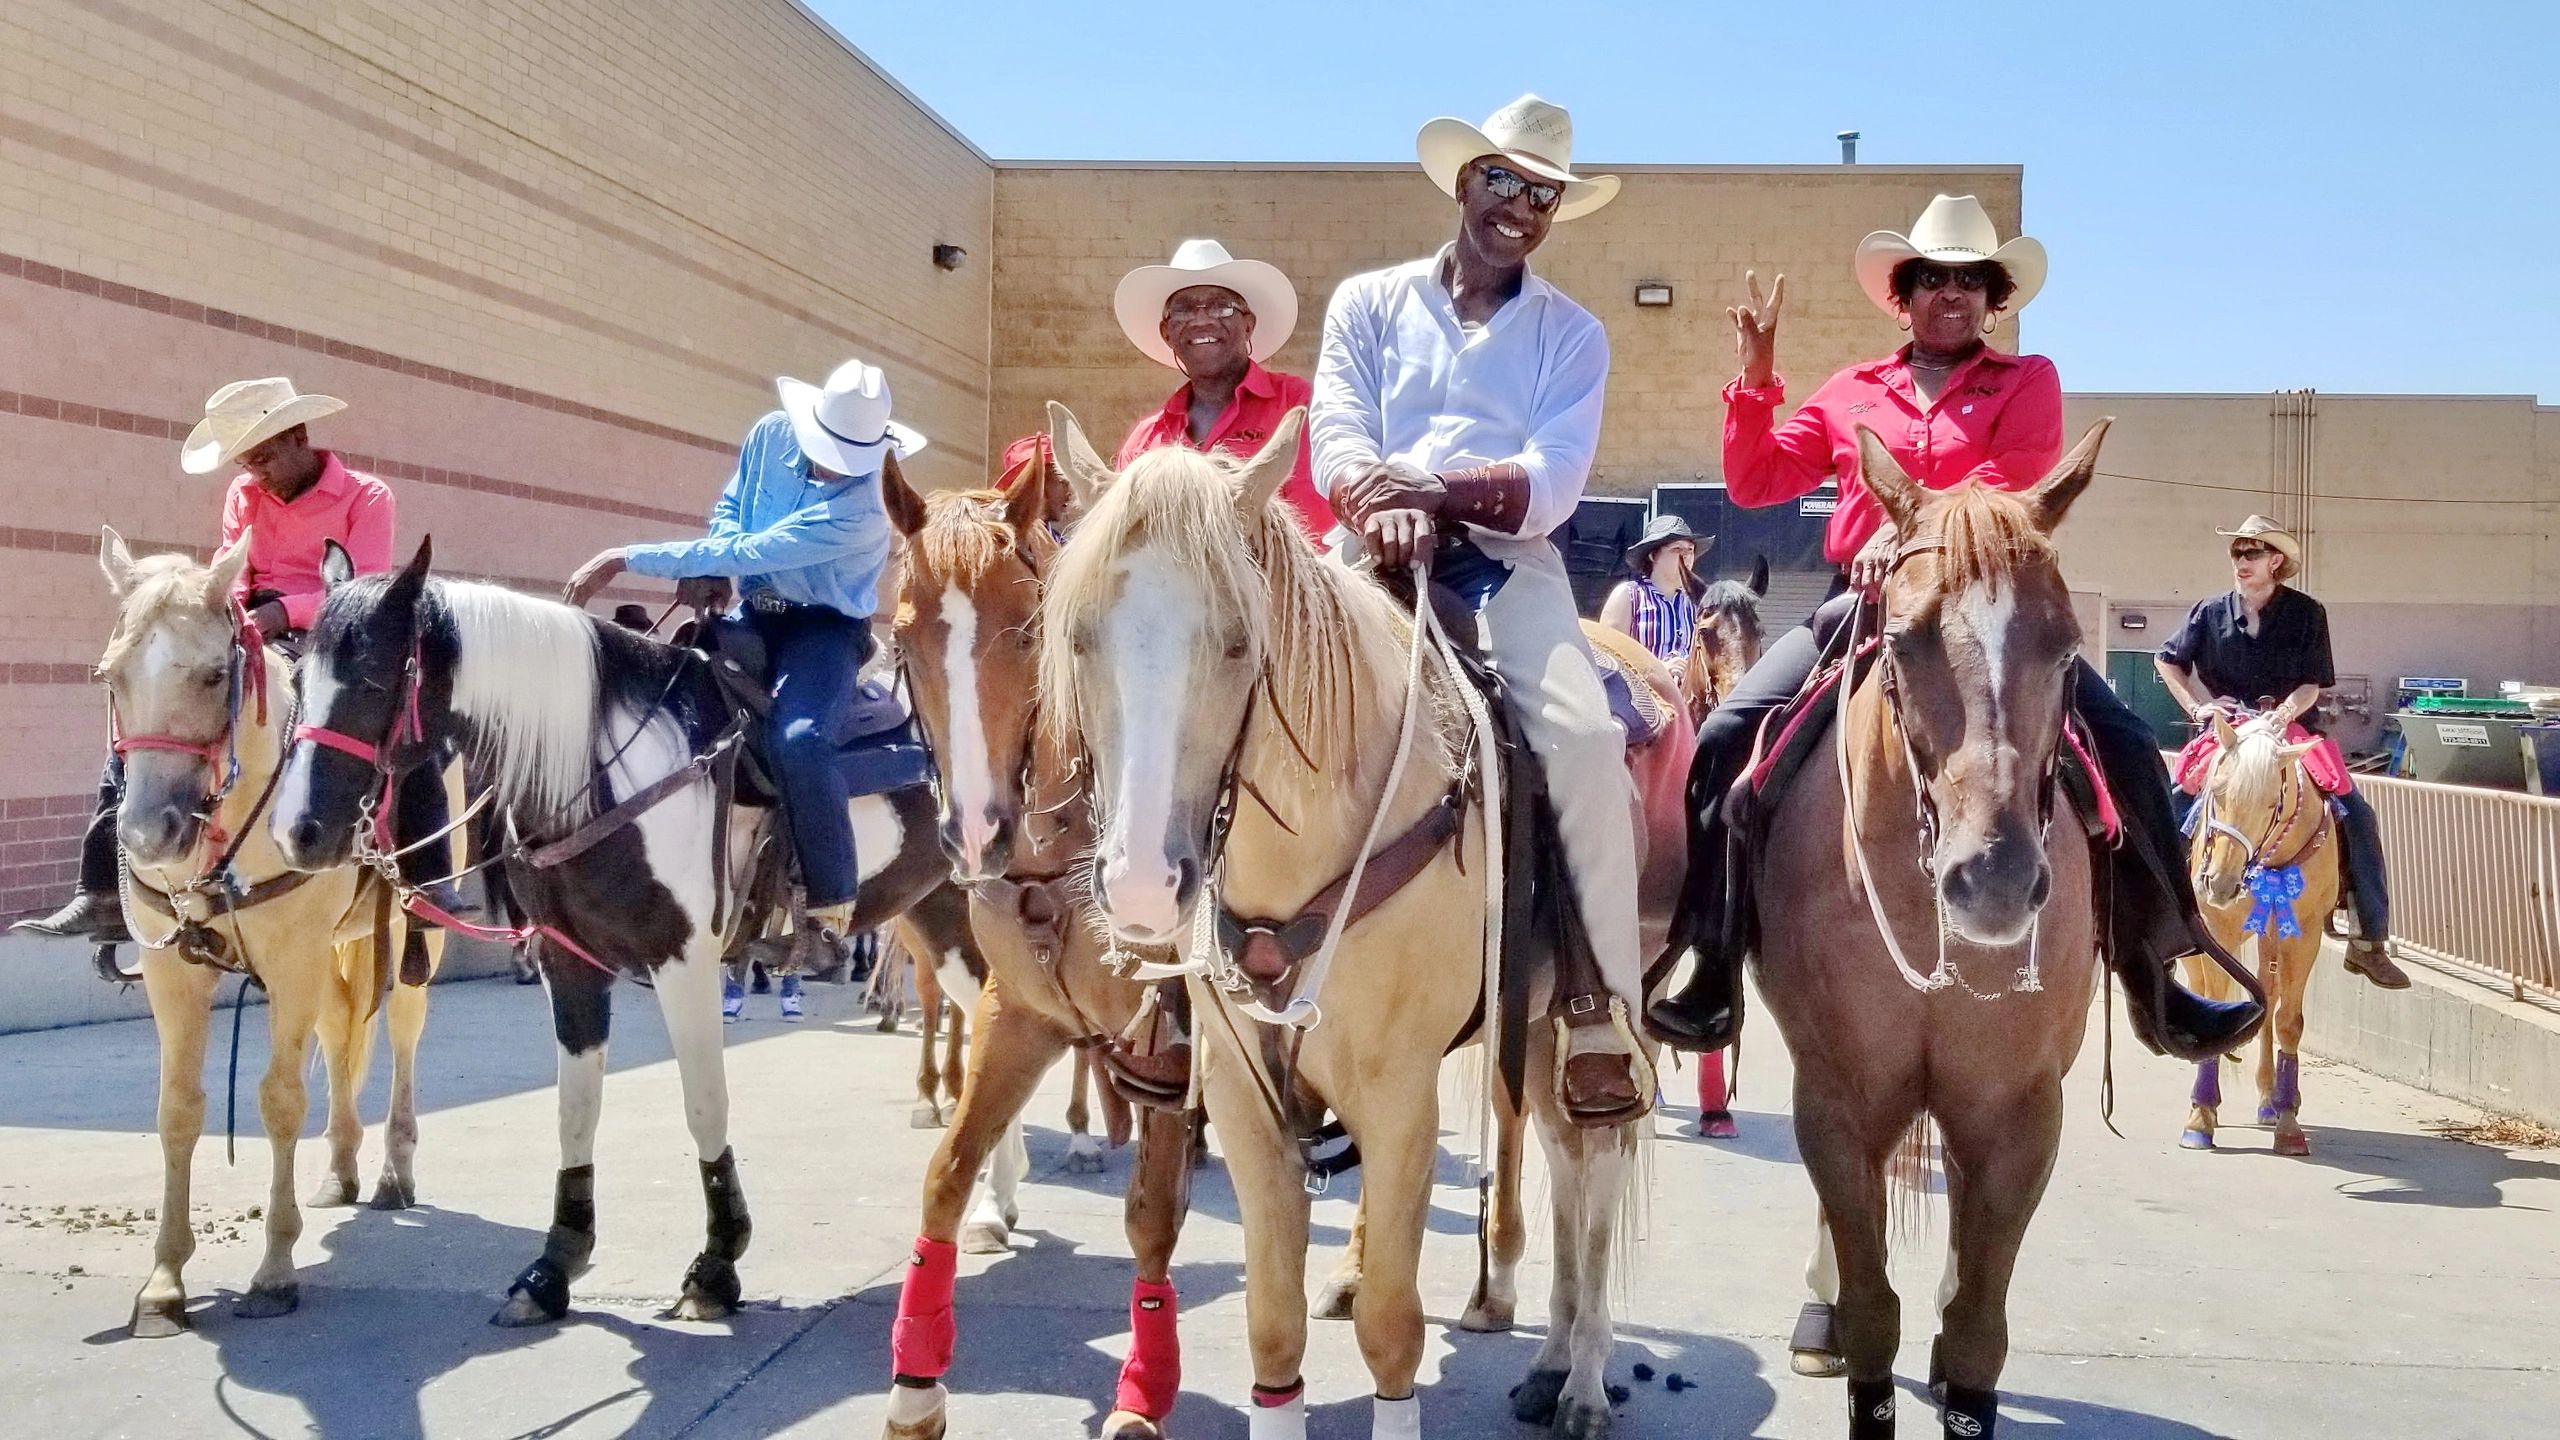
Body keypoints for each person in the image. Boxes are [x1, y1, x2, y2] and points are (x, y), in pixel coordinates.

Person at [1644, 194, 2264, 1063]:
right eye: (1933, 279)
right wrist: (1756, 380)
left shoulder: (2027, 382)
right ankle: (1710, 957)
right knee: (1727, 735)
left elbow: (2005, 492)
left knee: (2123, 747)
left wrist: (1902, 534)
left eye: (1972, 282)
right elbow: (1754, 482)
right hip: (1860, 605)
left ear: (1992, 299)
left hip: (1990, 611)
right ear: (1905, 294)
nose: (1953, 295)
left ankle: (2158, 968)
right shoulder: (1853, 390)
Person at [1311, 94, 1646, 1123]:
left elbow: (1554, 478)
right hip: (1360, 549)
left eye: (1541, 194)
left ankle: (1600, 1003)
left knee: (1586, 737)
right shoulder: (1365, 302)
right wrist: (1380, 504)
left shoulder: (1572, 334)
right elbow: (1335, 430)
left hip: (1505, 562)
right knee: (1241, 695)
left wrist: (1437, 497)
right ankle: (1199, 986)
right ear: (1464, 183)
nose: (1520, 206)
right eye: (1502, 180)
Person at [15, 377, 470, 942]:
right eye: (247, 463)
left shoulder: (367, 496)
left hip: (337, 634)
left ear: (298, 436)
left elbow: (364, 590)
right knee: (156, 706)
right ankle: (102, 888)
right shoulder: (244, 495)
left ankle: (427, 880)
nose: (257, 473)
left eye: (264, 457)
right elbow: (237, 574)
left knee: (397, 715)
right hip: (252, 627)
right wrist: (219, 616)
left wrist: (287, 612)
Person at [565, 359, 924, 940]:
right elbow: (734, 510)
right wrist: (713, 557)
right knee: (668, 701)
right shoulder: (769, 435)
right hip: (754, 614)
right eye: (828, 449)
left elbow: (761, 550)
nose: (834, 466)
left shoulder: (865, 509)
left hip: (824, 630)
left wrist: (626, 557)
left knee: (800, 739)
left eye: (848, 458)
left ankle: (832, 892)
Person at [2155, 515, 2409, 989]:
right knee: (2173, 804)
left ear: (2276, 561)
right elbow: (2167, 660)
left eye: (2251, 554)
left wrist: (2285, 713)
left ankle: (2368, 940)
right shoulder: (2209, 611)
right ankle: (2157, 926)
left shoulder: (2307, 613)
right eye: (2236, 553)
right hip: (2226, 730)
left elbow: (2312, 684)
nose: (2241, 562)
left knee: (2357, 814)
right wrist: (2198, 707)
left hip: (2289, 728)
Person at [1112, 239, 1332, 538]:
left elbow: (1313, 532)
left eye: (1221, 307)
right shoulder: (1145, 440)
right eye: (1184, 310)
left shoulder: (1296, 404)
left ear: (1248, 325)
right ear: (1167, 334)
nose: (1202, 320)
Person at [1600, 514, 1703, 673]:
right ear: (1652, 555)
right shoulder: (1629, 596)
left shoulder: (1700, 602)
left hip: (1690, 695)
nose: (1686, 556)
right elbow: (1607, 656)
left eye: (1690, 549)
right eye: (1677, 549)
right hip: (1641, 695)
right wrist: (1658, 670)